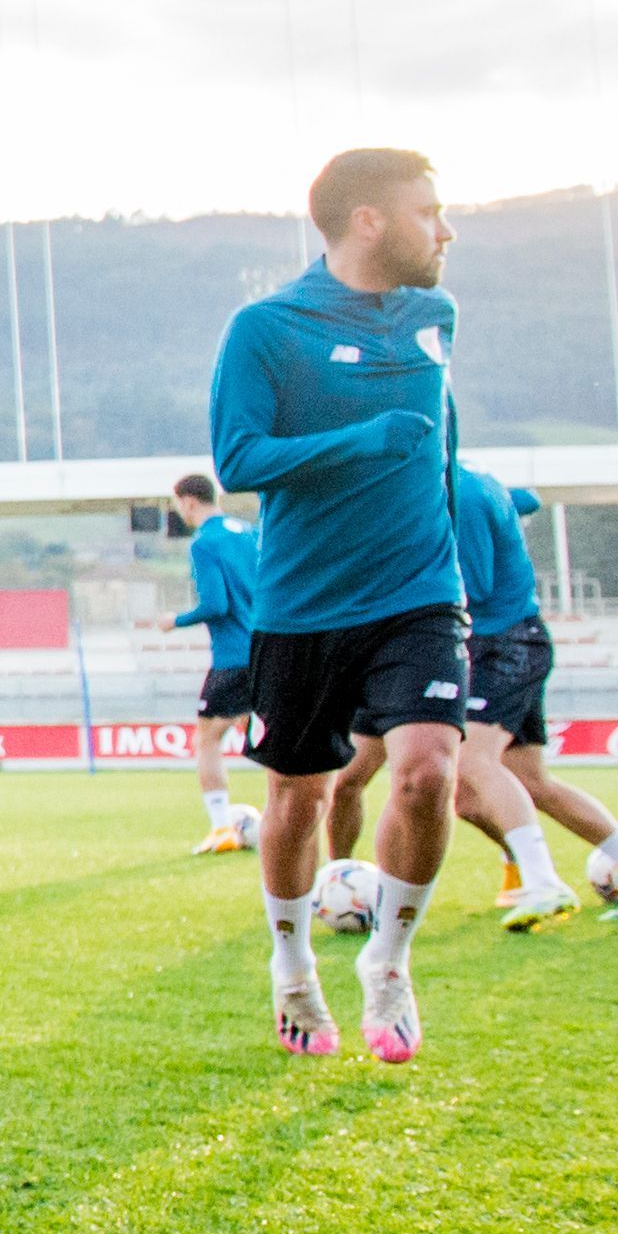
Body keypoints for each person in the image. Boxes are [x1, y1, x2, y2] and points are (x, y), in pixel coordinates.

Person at [213, 148, 470, 1064]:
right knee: (295, 802)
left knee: (427, 769)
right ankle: (291, 966)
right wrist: (362, 440)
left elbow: (439, 449)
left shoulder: (434, 315)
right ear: (368, 221)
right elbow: (237, 460)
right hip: (302, 607)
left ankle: (389, 962)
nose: (444, 231)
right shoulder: (266, 327)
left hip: (420, 595)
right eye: (429, 212)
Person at [451, 467, 618, 923]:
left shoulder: (463, 496)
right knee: (502, 790)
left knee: (472, 761)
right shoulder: (478, 486)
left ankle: (541, 881)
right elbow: (530, 498)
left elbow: (473, 587)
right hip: (510, 642)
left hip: (504, 645)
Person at [172, 470, 261, 851]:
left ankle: (222, 828)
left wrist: (173, 621)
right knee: (266, 735)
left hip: (233, 655)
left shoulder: (204, 543)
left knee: (207, 738)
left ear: (189, 502)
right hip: (269, 648)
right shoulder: (250, 532)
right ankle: (282, 820)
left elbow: (215, 604)